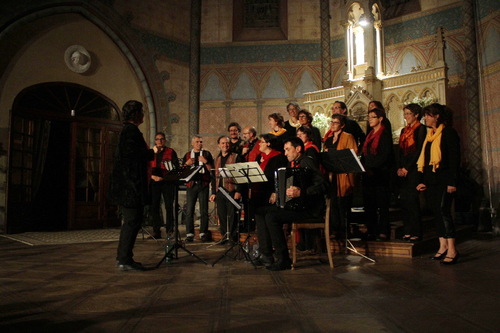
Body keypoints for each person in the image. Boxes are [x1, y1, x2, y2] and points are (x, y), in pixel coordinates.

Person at [254, 137, 327, 271]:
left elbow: (324, 186)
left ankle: (283, 259)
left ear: (298, 149)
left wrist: (301, 192)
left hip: (310, 210)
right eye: (284, 150)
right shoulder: (292, 165)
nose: (285, 153)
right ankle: (266, 254)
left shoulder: (306, 162)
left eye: (288, 149)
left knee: (272, 216)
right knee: (260, 211)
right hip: (297, 207)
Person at [109, 100, 154, 271]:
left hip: (130, 185)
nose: (143, 114)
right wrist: (151, 153)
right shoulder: (131, 131)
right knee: (131, 222)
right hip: (130, 187)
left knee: (132, 222)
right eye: (141, 111)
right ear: (136, 114)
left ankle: (124, 258)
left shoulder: (128, 131)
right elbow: (132, 157)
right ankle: (124, 259)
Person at [416, 103, 461, 264]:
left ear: (437, 116)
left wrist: (452, 182)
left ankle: (453, 249)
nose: (425, 118)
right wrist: (423, 181)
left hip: (444, 181)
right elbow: (427, 161)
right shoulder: (430, 136)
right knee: (436, 212)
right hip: (432, 181)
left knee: (444, 212)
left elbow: (454, 160)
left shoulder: (448, 133)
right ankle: (442, 246)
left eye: (428, 115)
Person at [361, 108, 394, 241]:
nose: (370, 119)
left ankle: (383, 231)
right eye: (369, 117)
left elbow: (385, 155)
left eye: (373, 117)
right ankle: (371, 230)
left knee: (382, 204)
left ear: (380, 118)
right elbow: (365, 153)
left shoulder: (384, 134)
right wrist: (363, 167)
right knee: (370, 205)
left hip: (380, 174)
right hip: (368, 174)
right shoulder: (369, 134)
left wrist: (372, 167)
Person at [323, 114, 358, 237]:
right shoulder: (328, 139)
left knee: (342, 204)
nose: (332, 124)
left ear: (342, 125)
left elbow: (352, 154)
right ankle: (335, 229)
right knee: (332, 203)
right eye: (331, 122)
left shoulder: (348, 137)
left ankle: (344, 230)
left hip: (343, 175)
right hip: (332, 175)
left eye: (336, 122)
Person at [397, 104, 427, 242]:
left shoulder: (420, 129)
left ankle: (416, 231)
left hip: (414, 169)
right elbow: (400, 151)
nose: (406, 116)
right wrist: (399, 167)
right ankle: (407, 229)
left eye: (409, 113)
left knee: (413, 201)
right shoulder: (404, 130)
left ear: (416, 115)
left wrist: (407, 168)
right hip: (403, 169)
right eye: (405, 113)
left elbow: (419, 150)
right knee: (405, 201)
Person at [209, 136, 243, 243]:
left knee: (232, 214)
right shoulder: (216, 159)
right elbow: (214, 177)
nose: (225, 145)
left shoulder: (236, 157)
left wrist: (239, 191)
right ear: (219, 145)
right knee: (222, 214)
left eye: (227, 143)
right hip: (220, 190)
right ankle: (224, 235)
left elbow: (241, 175)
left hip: (232, 190)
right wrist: (213, 192)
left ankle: (232, 237)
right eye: (223, 143)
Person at [182, 135, 214, 242]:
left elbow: (211, 170)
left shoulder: (206, 154)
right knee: (189, 210)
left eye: (201, 142)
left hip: (203, 184)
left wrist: (206, 162)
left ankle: (203, 233)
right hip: (191, 185)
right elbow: (182, 170)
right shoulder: (187, 155)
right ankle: (189, 234)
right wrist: (187, 164)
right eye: (197, 142)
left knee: (204, 210)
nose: (199, 144)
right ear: (192, 143)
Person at [149, 132, 179, 239]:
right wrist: (153, 177)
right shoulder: (151, 152)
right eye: (157, 139)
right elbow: (146, 167)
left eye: (162, 139)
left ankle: (170, 229)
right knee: (154, 207)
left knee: (169, 206)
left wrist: (164, 177)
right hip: (154, 182)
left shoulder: (171, 152)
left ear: (165, 140)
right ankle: (156, 231)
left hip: (167, 183)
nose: (159, 141)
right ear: (155, 141)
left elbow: (176, 168)